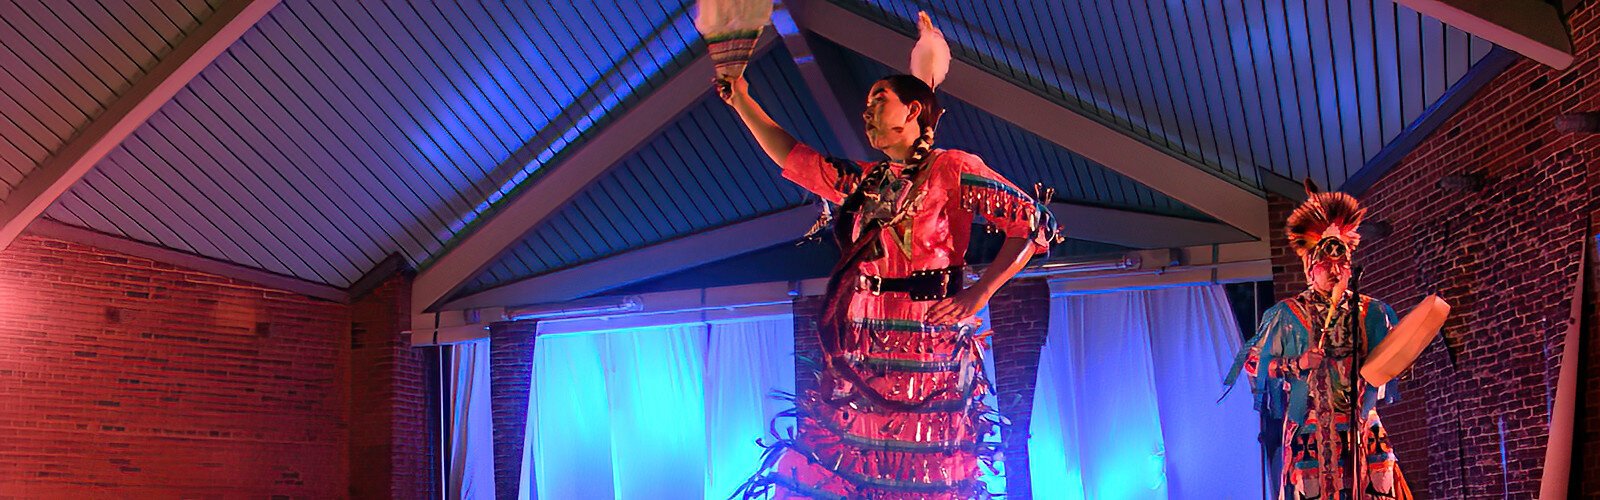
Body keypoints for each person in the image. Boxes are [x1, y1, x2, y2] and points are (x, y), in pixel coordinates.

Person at [716, 13, 1059, 499]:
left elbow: (1033, 224)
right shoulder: (867, 182)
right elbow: (796, 158)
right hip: (862, 337)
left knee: (924, 466)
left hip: (927, 337)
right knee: (850, 460)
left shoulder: (953, 168)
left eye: (879, 101)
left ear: (915, 109)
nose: (868, 112)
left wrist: (981, 292)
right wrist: (743, 101)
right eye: (867, 105)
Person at [1225, 182, 1411, 500]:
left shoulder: (1371, 311)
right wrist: (1296, 363)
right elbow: (1254, 364)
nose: (1337, 270)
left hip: (1362, 423)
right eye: (1328, 264)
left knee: (1378, 485)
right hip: (1311, 423)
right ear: (1311, 269)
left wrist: (1393, 359)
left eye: (1343, 264)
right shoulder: (1287, 314)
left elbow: (1392, 363)